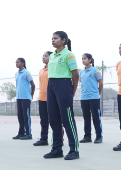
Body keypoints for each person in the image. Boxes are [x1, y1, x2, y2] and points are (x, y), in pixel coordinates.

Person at [43, 30, 80, 161]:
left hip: (64, 85)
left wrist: (72, 91)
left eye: (56, 38)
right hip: (51, 85)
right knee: (53, 119)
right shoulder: (52, 55)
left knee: (67, 119)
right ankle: (57, 149)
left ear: (64, 40)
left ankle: (74, 150)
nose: (53, 40)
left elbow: (75, 75)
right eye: (52, 38)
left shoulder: (68, 55)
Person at [79, 53, 103, 144]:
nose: (83, 60)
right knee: (86, 117)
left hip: (94, 97)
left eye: (85, 58)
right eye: (82, 59)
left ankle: (99, 136)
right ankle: (87, 136)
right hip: (83, 97)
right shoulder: (81, 72)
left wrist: (98, 93)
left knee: (96, 117)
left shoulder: (95, 71)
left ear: (90, 60)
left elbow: (100, 83)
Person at [15, 57, 36, 141]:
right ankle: (21, 133)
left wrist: (31, 95)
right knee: (20, 116)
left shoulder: (27, 73)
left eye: (18, 62)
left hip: (26, 97)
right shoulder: (16, 74)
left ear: (23, 63)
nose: (16, 64)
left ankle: (28, 134)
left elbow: (33, 84)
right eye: (16, 62)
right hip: (19, 97)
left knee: (26, 116)